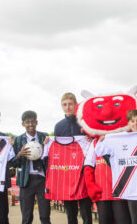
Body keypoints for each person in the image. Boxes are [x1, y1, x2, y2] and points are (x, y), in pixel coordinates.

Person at [95, 110, 137, 224]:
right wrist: (101, 141)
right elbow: (99, 151)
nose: (136, 123)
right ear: (128, 124)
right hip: (130, 187)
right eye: (132, 121)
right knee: (135, 221)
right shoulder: (118, 139)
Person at [54, 92, 92, 224]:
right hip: (67, 175)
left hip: (84, 173)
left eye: (70, 104)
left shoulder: (85, 123)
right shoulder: (58, 126)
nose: (68, 107)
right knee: (71, 215)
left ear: (76, 105)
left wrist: (91, 138)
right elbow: (57, 149)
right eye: (65, 104)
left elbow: (95, 144)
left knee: (86, 213)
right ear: (61, 106)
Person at [12, 111, 51, 224]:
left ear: (36, 122)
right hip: (26, 180)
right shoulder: (18, 140)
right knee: (27, 216)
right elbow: (13, 163)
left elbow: (52, 158)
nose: (30, 124)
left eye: (33, 121)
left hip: (42, 180)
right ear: (23, 124)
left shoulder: (45, 137)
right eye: (27, 122)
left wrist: (44, 153)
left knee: (45, 216)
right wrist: (19, 154)